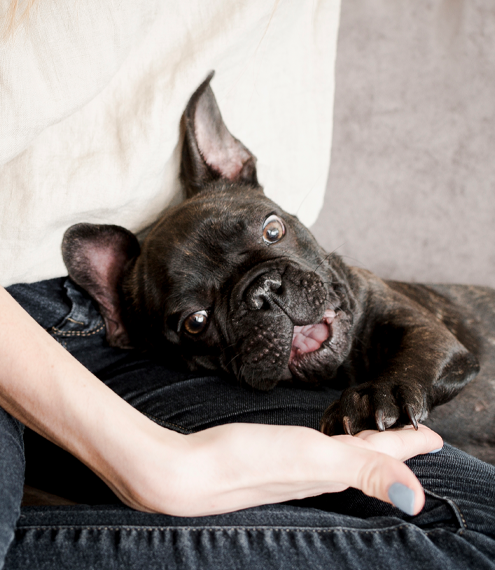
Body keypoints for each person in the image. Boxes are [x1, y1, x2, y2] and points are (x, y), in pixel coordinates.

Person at [1, 1, 495, 568]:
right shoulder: (137, 301)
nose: (267, 296)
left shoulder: (356, 295)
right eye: (200, 319)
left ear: (238, 164)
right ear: (117, 305)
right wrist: (152, 462)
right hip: (46, 325)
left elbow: (444, 351)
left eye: (272, 232)